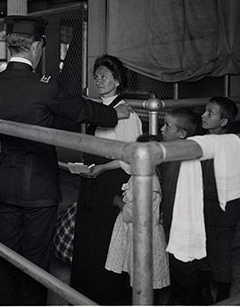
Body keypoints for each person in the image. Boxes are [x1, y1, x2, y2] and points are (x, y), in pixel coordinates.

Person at [0, 15, 132, 306]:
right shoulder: (44, 86)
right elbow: (78, 108)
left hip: (5, 182)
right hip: (40, 185)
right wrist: (113, 114)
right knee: (36, 255)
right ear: (35, 46)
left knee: (7, 249)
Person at [70, 55, 142, 305]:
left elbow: (132, 157)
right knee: (87, 240)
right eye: (96, 76)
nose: (98, 80)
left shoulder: (128, 115)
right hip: (93, 180)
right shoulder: (100, 110)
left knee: (106, 243)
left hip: (112, 183)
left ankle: (107, 299)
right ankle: (83, 297)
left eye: (104, 76)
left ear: (118, 80)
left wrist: (102, 167)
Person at [105, 134, 171, 303]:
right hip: (134, 233)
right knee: (136, 274)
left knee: (145, 278)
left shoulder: (149, 180)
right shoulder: (143, 171)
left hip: (144, 235)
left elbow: (138, 212)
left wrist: (119, 202)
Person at [159, 108, 204, 305]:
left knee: (184, 265)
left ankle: (194, 299)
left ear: (182, 134)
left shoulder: (185, 158)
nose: (161, 129)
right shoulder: (170, 154)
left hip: (182, 222)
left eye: (167, 126)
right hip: (170, 219)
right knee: (176, 264)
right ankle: (178, 298)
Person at [199, 96, 240, 302]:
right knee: (202, 249)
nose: (203, 115)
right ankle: (204, 291)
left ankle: (224, 295)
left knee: (220, 253)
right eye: (204, 111)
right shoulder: (202, 142)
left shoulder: (230, 144)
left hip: (223, 210)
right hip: (203, 206)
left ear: (223, 122)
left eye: (209, 113)